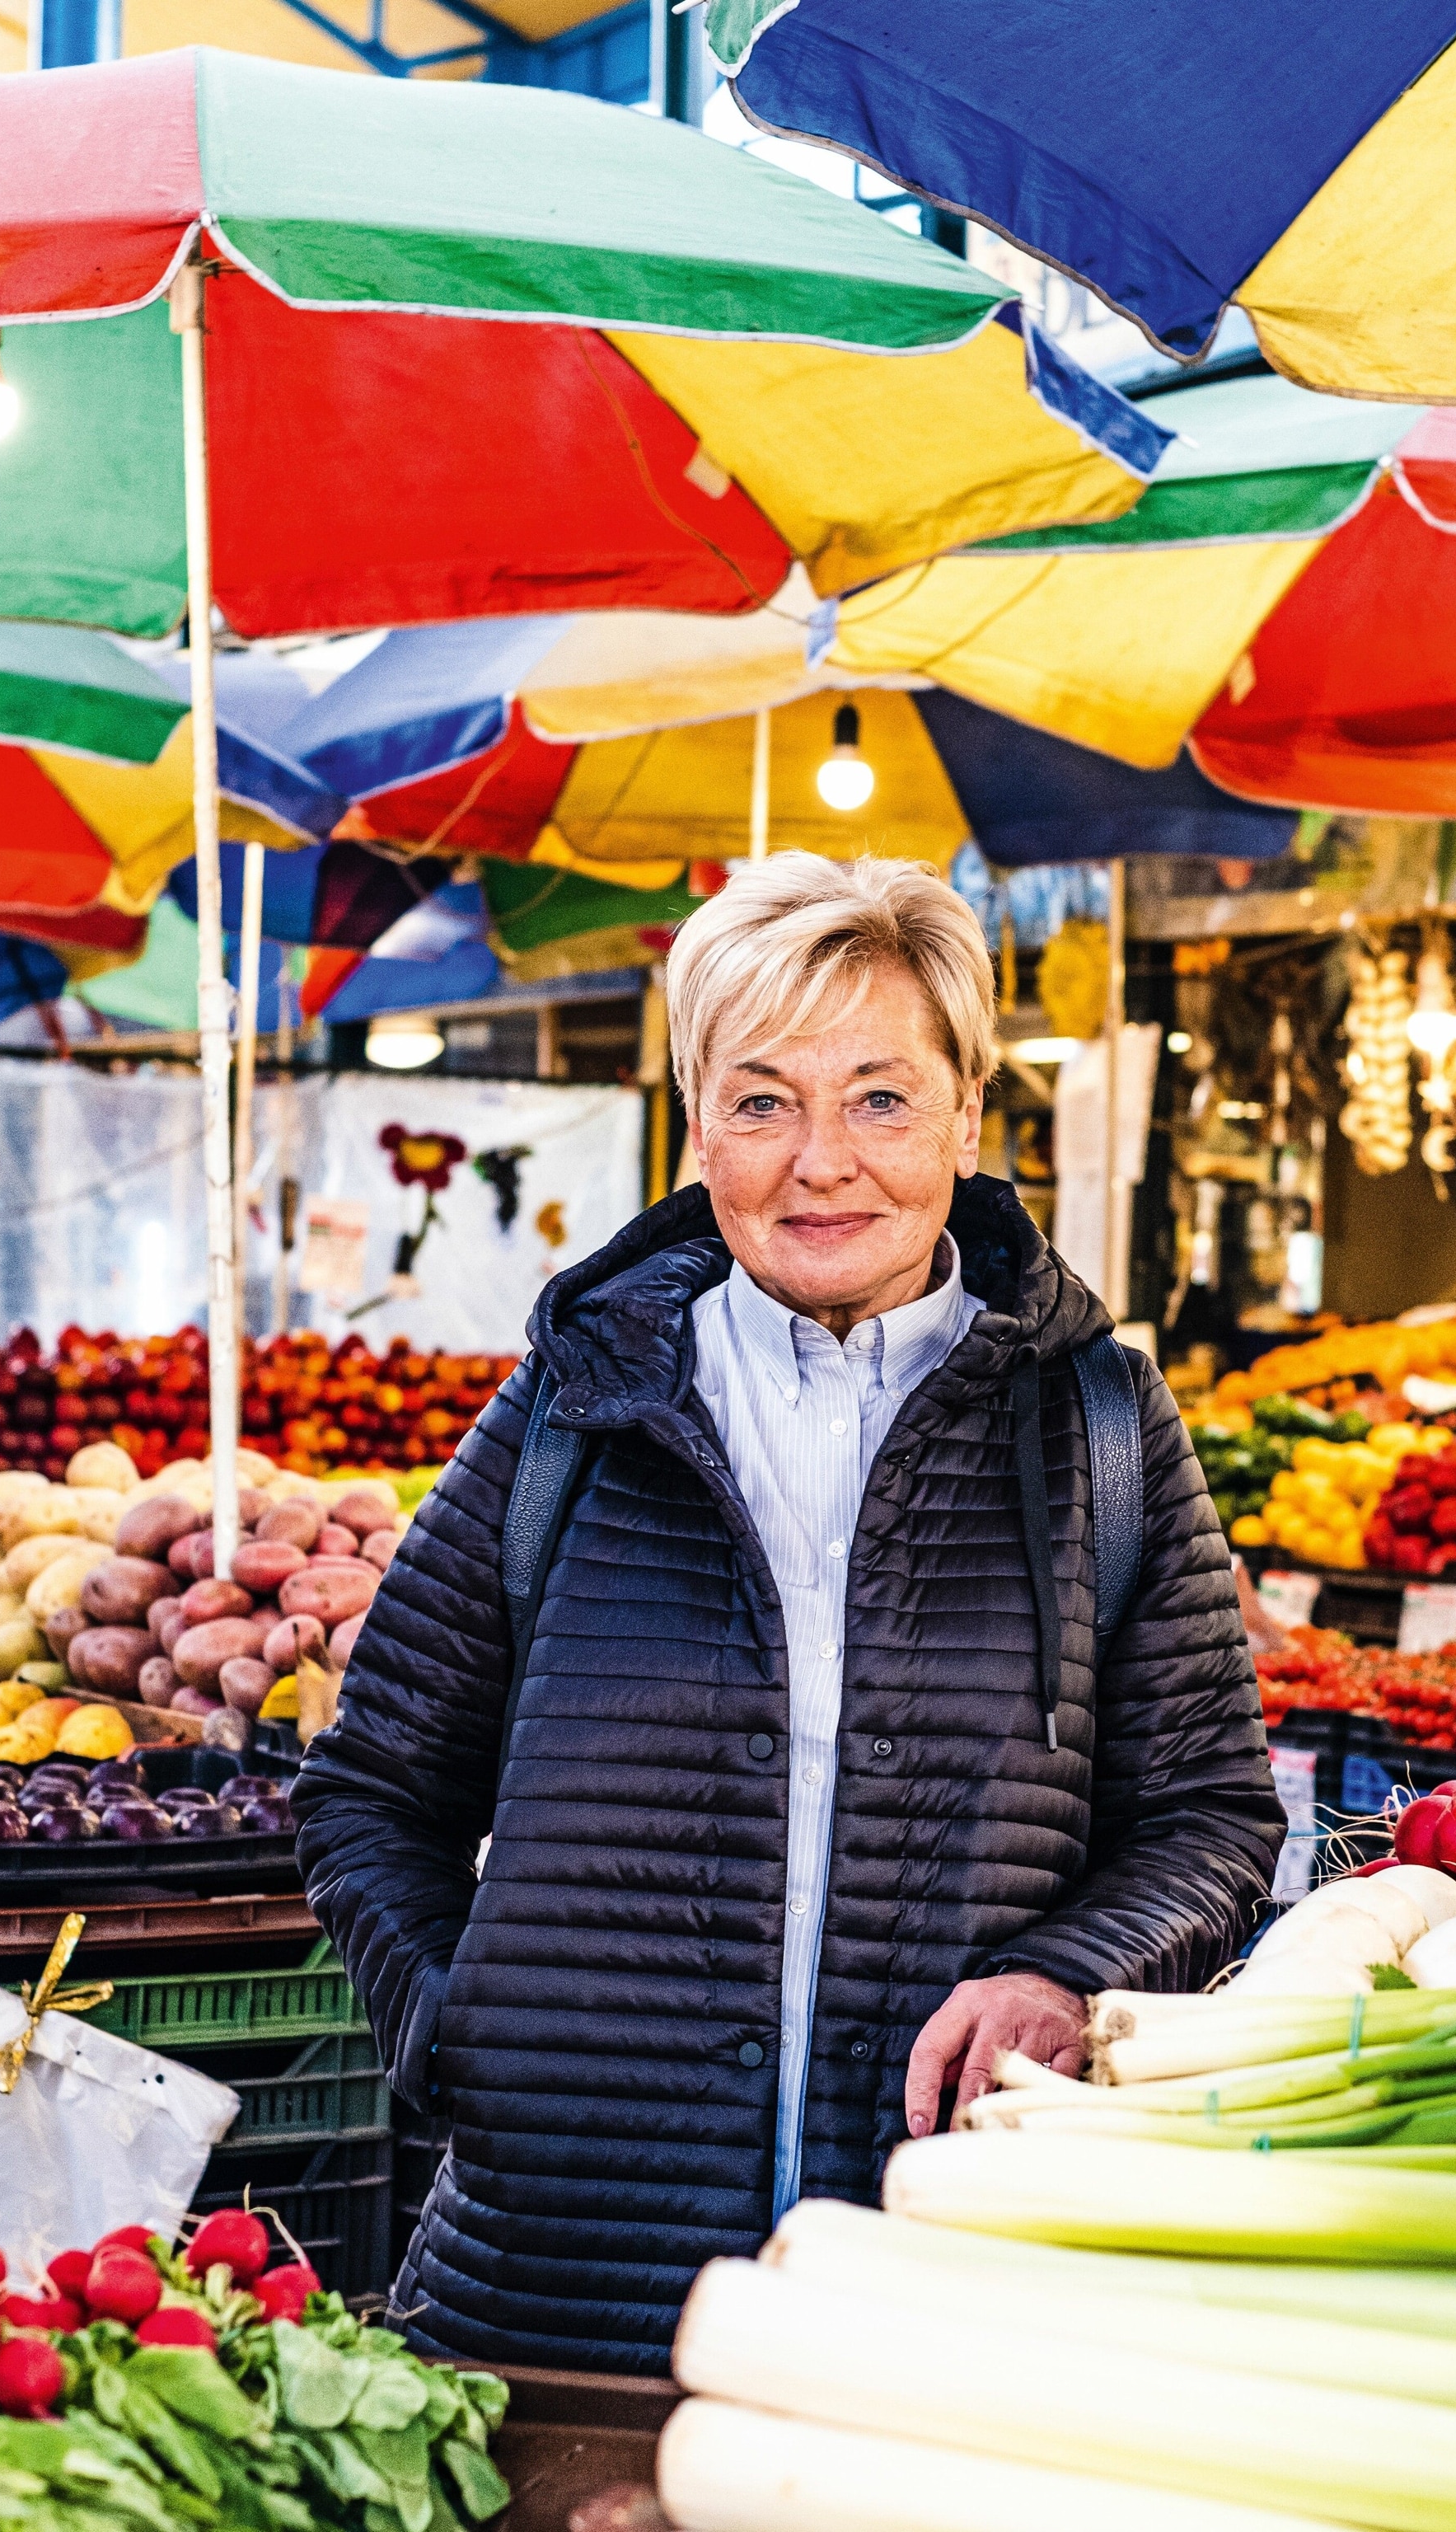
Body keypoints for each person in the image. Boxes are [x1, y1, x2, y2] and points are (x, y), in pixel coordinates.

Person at [292, 853, 1284, 2375]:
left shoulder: (1098, 1423)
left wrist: (1072, 1978)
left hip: (944, 2289)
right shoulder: (574, 1410)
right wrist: (462, 2034)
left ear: (968, 1108)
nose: (821, 1161)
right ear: (698, 1127)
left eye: (881, 1099)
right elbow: (371, 1791)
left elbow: (1211, 1812)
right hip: (551, 2293)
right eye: (762, 1102)